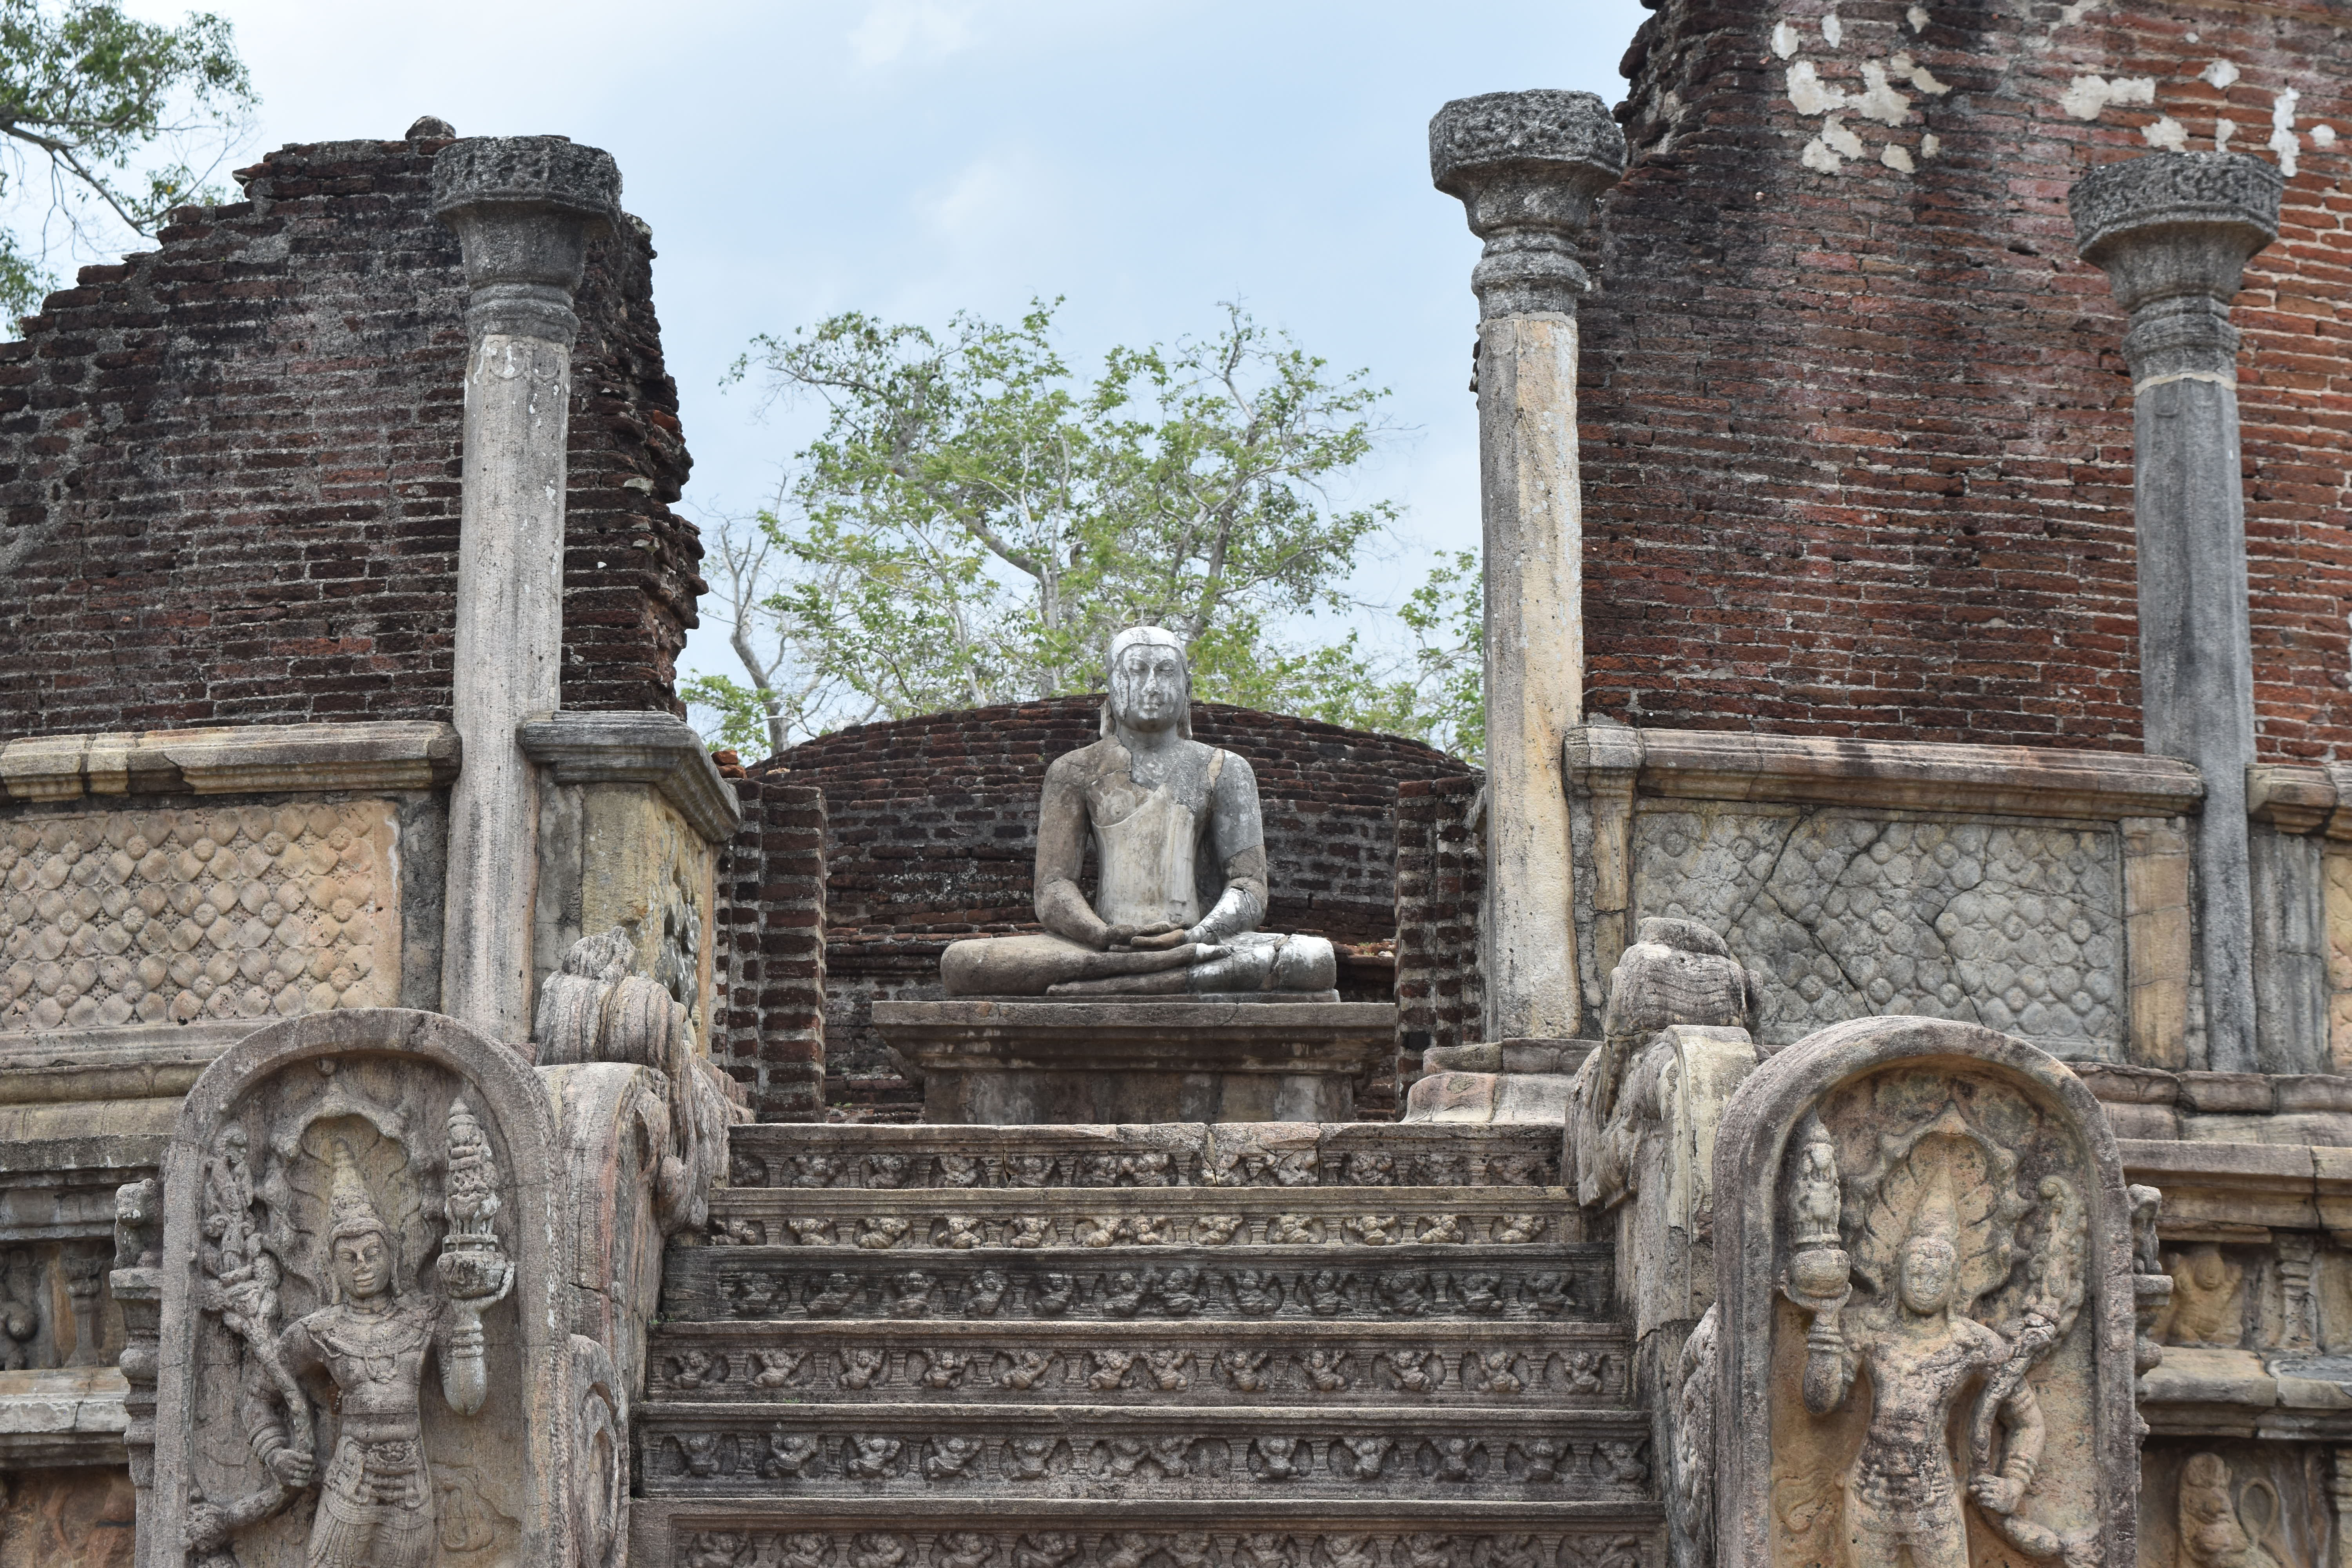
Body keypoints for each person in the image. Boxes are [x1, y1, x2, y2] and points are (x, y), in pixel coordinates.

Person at [940, 625, 1336, 998]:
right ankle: (1162, 976)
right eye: (1136, 671)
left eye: (1166, 672)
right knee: (963, 963)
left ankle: (1140, 977)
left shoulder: (1225, 769)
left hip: (1196, 940)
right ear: (1112, 685)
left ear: (1185, 687)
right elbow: (1053, 888)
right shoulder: (1074, 770)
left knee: (1313, 959)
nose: (1151, 686)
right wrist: (1102, 935)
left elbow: (1249, 886)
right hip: (1103, 947)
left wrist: (1196, 936)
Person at [247, 1142, 510, 1568]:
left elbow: (467, 1401)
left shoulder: (425, 1318)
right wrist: (276, 1452)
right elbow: (260, 1393)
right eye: (348, 1257)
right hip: (350, 1481)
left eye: (373, 1253)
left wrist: (467, 1318)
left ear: (394, 1254)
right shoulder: (319, 1330)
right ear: (331, 1266)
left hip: (410, 1486)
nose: (362, 1265)